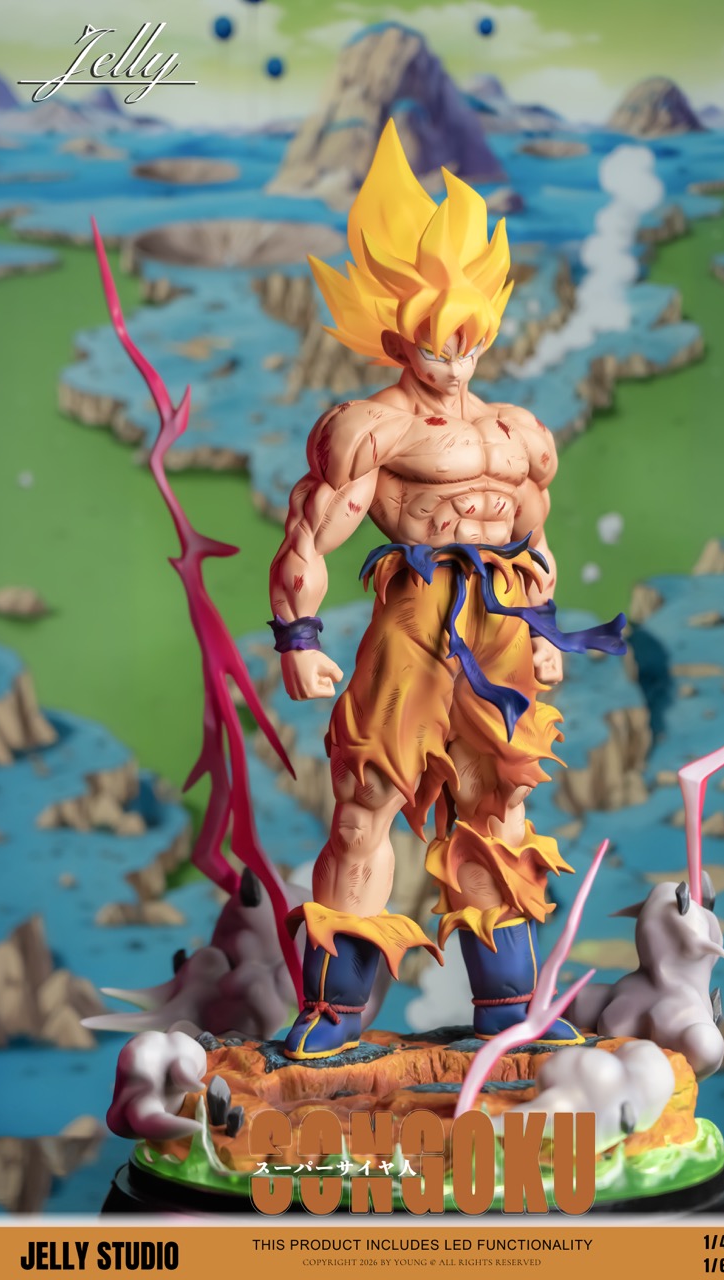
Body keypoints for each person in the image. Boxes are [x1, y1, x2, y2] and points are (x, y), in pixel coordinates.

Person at [269, 120, 625, 1061]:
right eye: (435, 343)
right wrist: (298, 637)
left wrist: (541, 628)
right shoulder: (371, 428)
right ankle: (337, 1010)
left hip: (499, 626)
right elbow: (309, 530)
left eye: (468, 340)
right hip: (414, 623)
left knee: (498, 809)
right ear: (398, 337)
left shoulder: (519, 432)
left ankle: (506, 1009)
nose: (454, 359)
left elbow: (533, 541)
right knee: (365, 804)